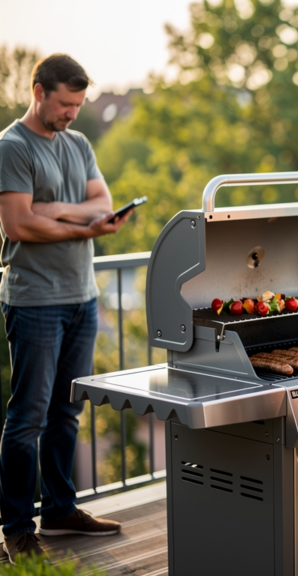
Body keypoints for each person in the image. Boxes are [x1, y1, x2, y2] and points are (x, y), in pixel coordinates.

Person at [0, 54, 134, 565]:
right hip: (35, 301)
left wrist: (54, 209)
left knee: (67, 413)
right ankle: (16, 526)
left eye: (77, 105)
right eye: (64, 104)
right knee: (27, 417)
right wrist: (81, 224)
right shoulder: (12, 147)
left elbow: (105, 202)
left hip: (82, 297)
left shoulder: (78, 143)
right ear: (39, 92)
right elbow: (18, 225)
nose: (72, 114)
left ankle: (59, 509)